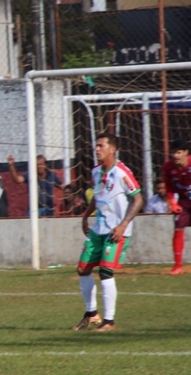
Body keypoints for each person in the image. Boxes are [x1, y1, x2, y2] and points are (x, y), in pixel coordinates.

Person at [74, 133, 143, 332]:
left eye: (101, 145)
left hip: (116, 230)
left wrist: (123, 225)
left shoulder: (122, 172)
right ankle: (92, 314)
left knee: (105, 270)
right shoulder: (96, 172)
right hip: (98, 229)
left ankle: (109, 321)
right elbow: (98, 196)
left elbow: (138, 200)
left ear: (112, 149)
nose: (97, 149)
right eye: (96, 146)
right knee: (82, 269)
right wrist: (86, 216)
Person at [161, 140, 191, 275]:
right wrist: (173, 203)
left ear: (186, 153)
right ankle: (178, 266)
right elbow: (168, 186)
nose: (175, 155)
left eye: (178, 152)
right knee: (178, 228)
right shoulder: (167, 167)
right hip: (184, 201)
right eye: (173, 153)